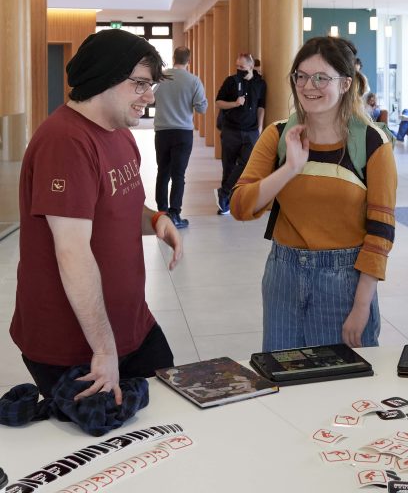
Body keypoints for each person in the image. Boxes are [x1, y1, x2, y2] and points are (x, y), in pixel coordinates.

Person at [10, 29, 182, 403]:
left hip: (132, 323)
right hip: (76, 343)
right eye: (139, 84)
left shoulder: (118, 133)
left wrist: (155, 220)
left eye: (150, 85)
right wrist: (104, 350)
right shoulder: (65, 142)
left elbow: (118, 205)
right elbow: (71, 251)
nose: (149, 97)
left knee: (168, 416)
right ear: (104, 77)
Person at [229, 37, 397, 352]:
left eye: (322, 77)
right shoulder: (278, 135)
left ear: (346, 83)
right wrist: (290, 167)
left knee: (342, 390)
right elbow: (240, 206)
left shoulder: (373, 143)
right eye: (301, 76)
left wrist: (361, 306)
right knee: (284, 379)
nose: (309, 86)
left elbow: (381, 231)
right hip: (283, 274)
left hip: (344, 281)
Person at [153, 46, 208, 229]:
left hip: (162, 132)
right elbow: (201, 108)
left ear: (173, 57)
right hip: (183, 133)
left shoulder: (161, 78)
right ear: (189, 60)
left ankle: (162, 212)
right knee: (178, 175)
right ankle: (175, 214)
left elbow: (150, 99)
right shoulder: (194, 81)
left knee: (163, 172)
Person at [214, 53, 267, 215]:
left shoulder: (260, 84)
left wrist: (259, 128)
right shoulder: (231, 81)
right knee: (228, 166)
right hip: (231, 129)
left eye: (242, 67)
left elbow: (261, 107)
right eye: (237, 66)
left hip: (251, 131)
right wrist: (235, 103)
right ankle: (225, 204)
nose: (238, 69)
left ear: (251, 67)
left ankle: (223, 192)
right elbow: (218, 102)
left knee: (247, 164)